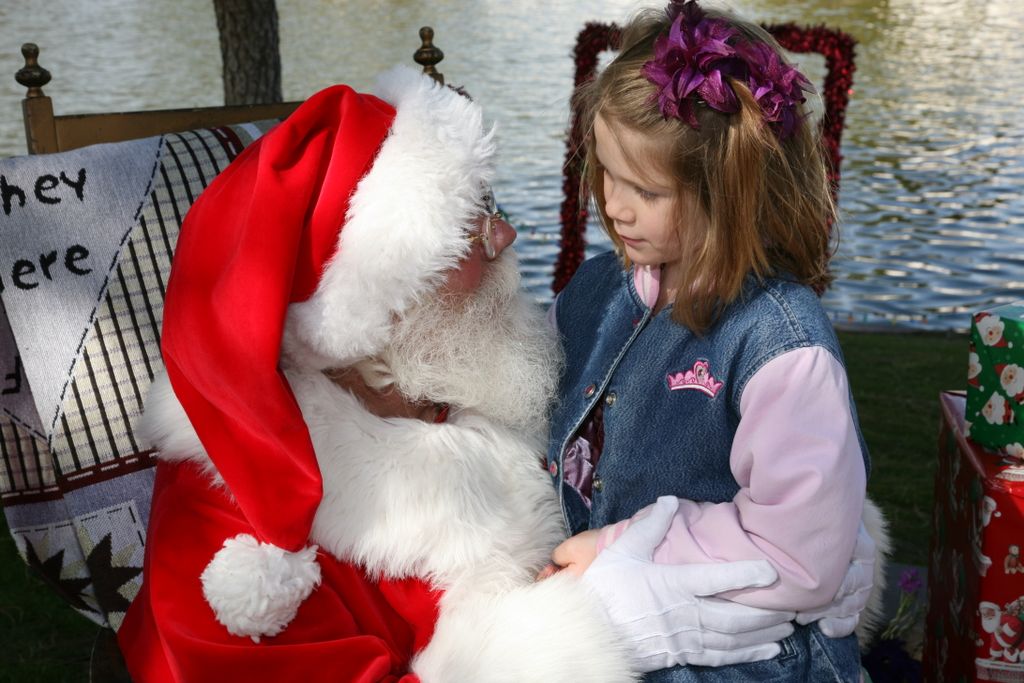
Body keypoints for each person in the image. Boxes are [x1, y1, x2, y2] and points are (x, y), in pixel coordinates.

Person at [116, 65, 807, 683]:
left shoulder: (495, 365)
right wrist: (575, 641)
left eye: (494, 208)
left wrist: (789, 549)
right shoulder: (228, 521)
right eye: (469, 226)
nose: (504, 237)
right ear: (382, 303)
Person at [542, 1, 884, 680]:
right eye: (606, 170)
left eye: (646, 187)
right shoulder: (599, 288)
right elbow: (534, 394)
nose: (613, 204)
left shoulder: (782, 345)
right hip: (611, 624)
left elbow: (796, 557)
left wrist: (615, 550)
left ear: (730, 189)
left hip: (740, 654)